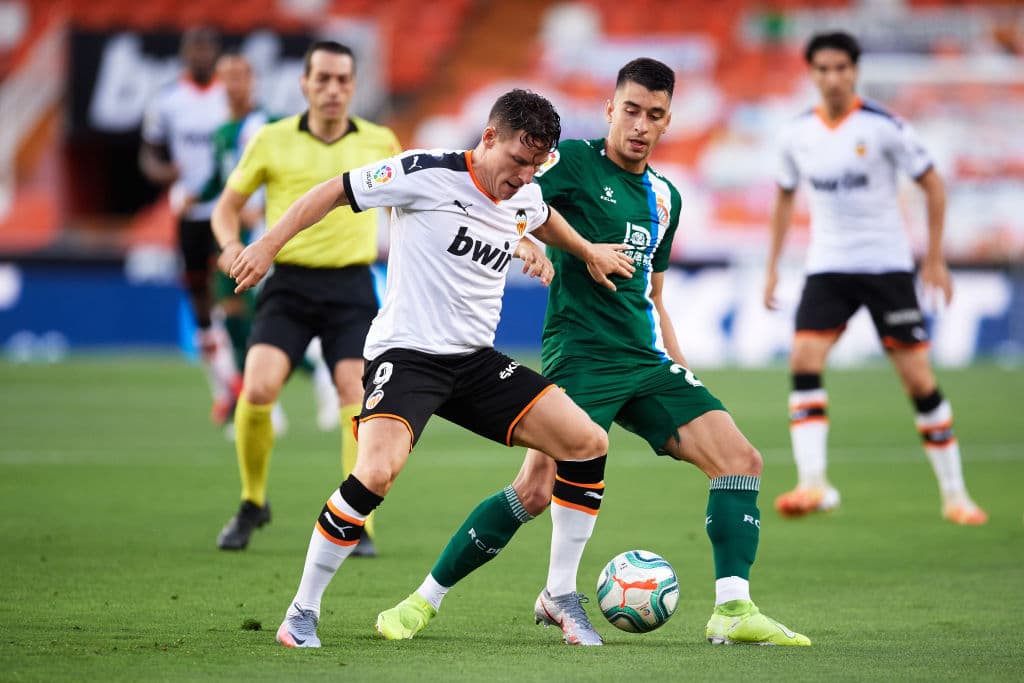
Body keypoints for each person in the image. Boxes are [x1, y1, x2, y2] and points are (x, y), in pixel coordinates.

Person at [374, 58, 811, 647]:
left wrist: (678, 363)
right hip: (580, 358)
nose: (640, 125)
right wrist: (526, 244)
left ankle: (732, 609)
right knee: (533, 490)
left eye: (654, 115)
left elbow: (655, 294)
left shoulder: (666, 197)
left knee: (740, 461)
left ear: (668, 121)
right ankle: (423, 600)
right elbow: (502, 202)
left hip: (646, 363)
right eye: (630, 110)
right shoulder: (571, 162)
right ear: (610, 110)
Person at [227, 88, 636, 649]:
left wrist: (585, 251)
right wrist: (268, 245)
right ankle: (302, 611)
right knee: (375, 474)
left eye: (536, 165)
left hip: (475, 362)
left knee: (587, 443)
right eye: (519, 160)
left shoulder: (523, 192)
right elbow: (334, 190)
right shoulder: (424, 172)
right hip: (407, 357)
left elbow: (542, 217)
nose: (524, 176)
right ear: (488, 137)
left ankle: (560, 594)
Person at [763, 31, 987, 526]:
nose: (833, 78)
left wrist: (934, 259)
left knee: (918, 380)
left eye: (841, 68)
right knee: (803, 359)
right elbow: (783, 196)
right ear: (812, 73)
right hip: (827, 265)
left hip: (886, 266)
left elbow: (933, 184)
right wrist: (772, 266)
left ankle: (956, 494)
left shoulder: (884, 127)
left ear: (855, 71)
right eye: (823, 69)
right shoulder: (796, 133)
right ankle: (813, 483)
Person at [210, 41, 400, 553]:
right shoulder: (271, 139)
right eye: (323, 79)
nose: (333, 89)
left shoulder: (380, 140)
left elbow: (406, 208)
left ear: (354, 86)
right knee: (258, 389)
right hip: (289, 284)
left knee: (354, 395)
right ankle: (253, 502)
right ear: (304, 84)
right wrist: (230, 247)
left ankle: (357, 520)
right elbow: (225, 208)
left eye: (343, 80)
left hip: (351, 287)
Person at [198, 52, 335, 438]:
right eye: (227, 76)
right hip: (229, 238)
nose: (234, 84)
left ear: (252, 80)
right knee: (233, 317)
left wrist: (261, 208)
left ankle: (310, 380)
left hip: (263, 235)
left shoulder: (270, 124)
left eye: (240, 75)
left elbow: (294, 172)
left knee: (266, 321)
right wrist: (193, 196)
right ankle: (258, 402)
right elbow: (221, 182)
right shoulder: (222, 133)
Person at [140, 26, 240, 426]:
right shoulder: (168, 101)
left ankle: (245, 386)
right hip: (189, 214)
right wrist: (165, 173)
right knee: (199, 302)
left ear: (216, 54)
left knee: (234, 297)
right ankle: (224, 388)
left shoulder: (229, 97)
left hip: (228, 211)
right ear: (185, 54)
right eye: (194, 49)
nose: (201, 56)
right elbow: (149, 155)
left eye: (207, 49)